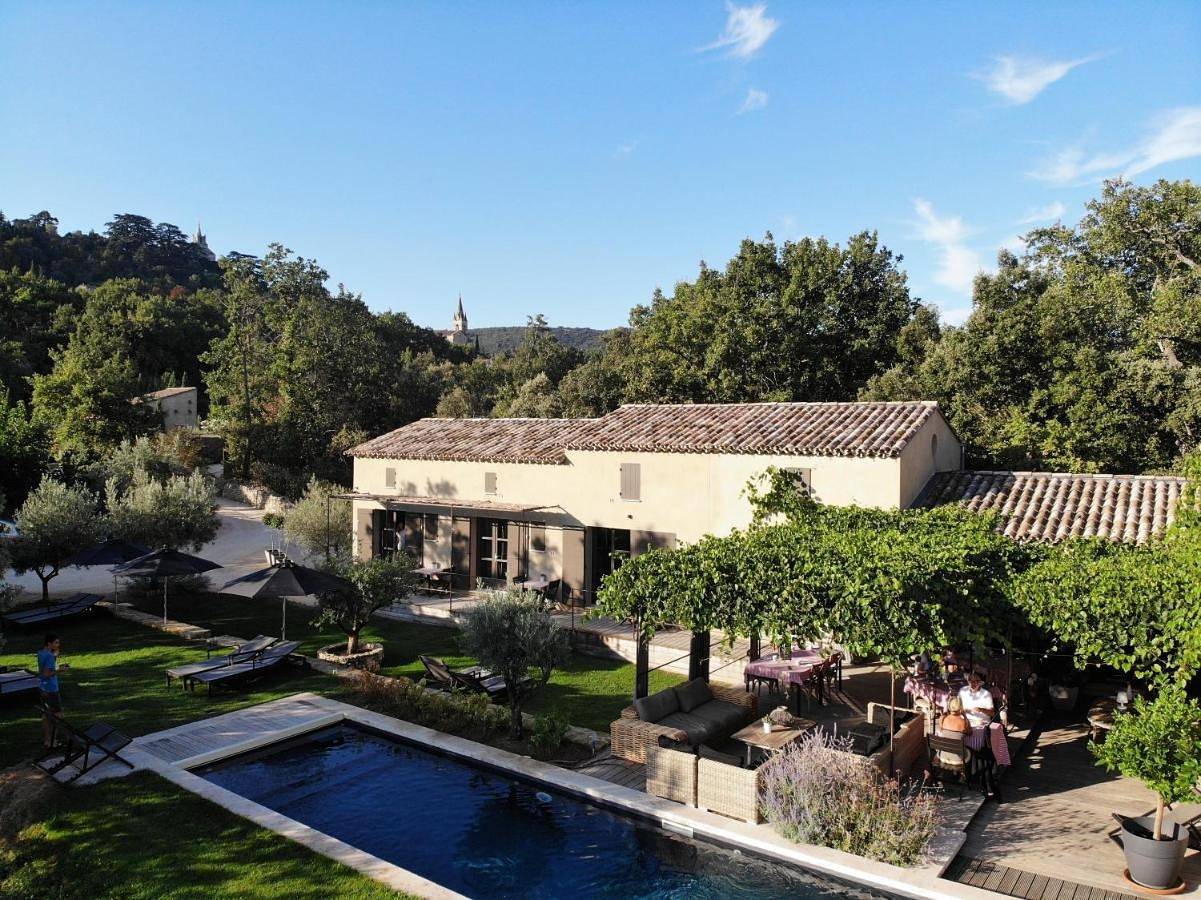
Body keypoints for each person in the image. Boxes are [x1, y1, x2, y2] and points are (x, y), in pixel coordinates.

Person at [37, 633, 68, 750]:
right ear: (49, 643)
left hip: (42, 687)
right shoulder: (49, 656)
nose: (58, 644)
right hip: (51, 689)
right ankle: (54, 741)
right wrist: (60, 670)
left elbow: (44, 668)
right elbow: (47, 674)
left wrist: (54, 656)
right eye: (56, 642)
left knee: (46, 715)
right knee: (58, 715)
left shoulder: (41, 653)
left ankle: (47, 740)